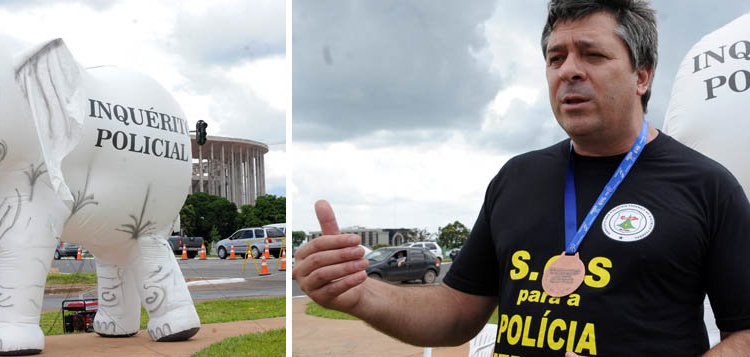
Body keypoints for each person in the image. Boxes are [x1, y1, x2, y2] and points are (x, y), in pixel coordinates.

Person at [293, 1, 750, 356]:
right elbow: (456, 311)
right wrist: (359, 294)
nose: (569, 70)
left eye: (592, 54)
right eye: (556, 58)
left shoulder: (706, 186)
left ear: (643, 76)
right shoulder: (517, 178)